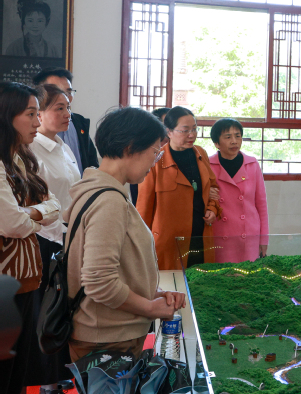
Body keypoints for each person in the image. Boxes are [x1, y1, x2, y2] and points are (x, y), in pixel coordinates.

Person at [65, 107, 185, 363]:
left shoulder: (101, 190)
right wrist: (149, 307)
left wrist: (152, 294)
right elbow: (99, 282)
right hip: (108, 336)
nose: (156, 160)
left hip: (109, 330)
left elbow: (117, 268)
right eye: (155, 151)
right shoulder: (109, 201)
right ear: (131, 148)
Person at [0, 82, 60, 393]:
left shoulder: (20, 158)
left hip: (24, 277)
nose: (38, 121)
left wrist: (29, 214)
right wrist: (35, 217)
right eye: (31, 114)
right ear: (6, 115)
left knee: (18, 370)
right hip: (5, 282)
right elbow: (13, 224)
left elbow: (55, 206)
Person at [28, 84, 81, 384]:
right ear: (39, 113)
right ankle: (46, 379)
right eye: (59, 108)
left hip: (68, 239)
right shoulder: (30, 151)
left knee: (64, 311)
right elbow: (38, 204)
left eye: (68, 107)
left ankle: (62, 376)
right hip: (44, 241)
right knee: (47, 312)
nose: (67, 114)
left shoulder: (63, 146)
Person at [136, 107, 221, 270]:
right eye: (185, 130)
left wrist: (212, 209)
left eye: (194, 129)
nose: (192, 135)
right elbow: (144, 208)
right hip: (169, 242)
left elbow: (213, 188)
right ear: (168, 132)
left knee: (199, 281)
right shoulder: (155, 160)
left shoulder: (201, 154)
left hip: (200, 236)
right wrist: (141, 245)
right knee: (172, 283)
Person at [208, 118, 269, 263]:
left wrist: (264, 238)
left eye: (238, 136)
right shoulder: (207, 164)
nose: (234, 141)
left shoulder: (252, 164)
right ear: (216, 143)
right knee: (223, 274)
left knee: (248, 274)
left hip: (249, 236)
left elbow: (261, 204)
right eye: (228, 137)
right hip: (220, 235)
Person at [32, 67, 99, 175]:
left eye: (68, 92)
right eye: (56, 91)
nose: (64, 96)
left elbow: (90, 162)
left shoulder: (79, 123)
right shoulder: (29, 145)